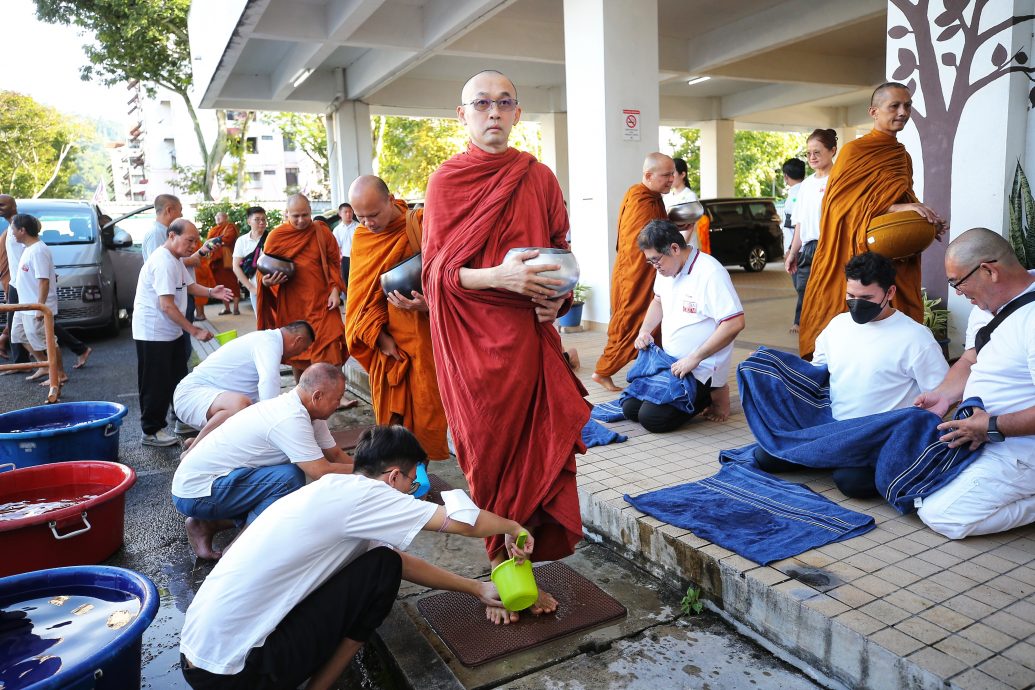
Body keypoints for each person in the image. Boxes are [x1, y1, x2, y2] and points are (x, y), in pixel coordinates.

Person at [179, 425, 536, 689]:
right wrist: (512, 526)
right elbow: (462, 522)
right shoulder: (369, 497)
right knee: (382, 572)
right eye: (412, 484)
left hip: (199, 656)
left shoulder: (334, 490)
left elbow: (393, 558)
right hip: (237, 672)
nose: (413, 493)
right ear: (393, 477)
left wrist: (477, 589)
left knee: (382, 564)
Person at [422, 69, 590, 623]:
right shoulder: (446, 181)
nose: (493, 112)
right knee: (489, 459)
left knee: (537, 456)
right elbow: (436, 274)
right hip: (472, 348)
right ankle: (502, 570)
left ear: (517, 113)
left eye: (504, 102)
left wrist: (556, 301)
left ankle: (523, 575)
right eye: (481, 103)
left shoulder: (538, 177)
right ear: (462, 115)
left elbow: (562, 254)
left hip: (529, 340)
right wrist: (500, 277)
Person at [755, 251, 948, 496]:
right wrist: (772, 368)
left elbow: (943, 393)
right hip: (834, 428)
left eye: (866, 297)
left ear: (890, 292)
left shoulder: (916, 338)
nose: (857, 303)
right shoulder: (837, 326)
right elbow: (814, 374)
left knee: (851, 483)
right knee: (765, 456)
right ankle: (831, 456)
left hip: (880, 435)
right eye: (851, 296)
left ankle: (834, 460)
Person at [799, 82, 947, 358]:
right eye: (894, 106)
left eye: (907, 106)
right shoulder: (854, 152)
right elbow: (838, 206)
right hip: (858, 254)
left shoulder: (902, 156)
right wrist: (897, 208)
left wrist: (922, 222)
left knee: (896, 331)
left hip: (894, 254)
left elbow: (904, 197)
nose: (903, 112)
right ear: (874, 112)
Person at [913, 228, 1035, 538]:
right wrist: (943, 395)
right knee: (910, 484)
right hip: (979, 436)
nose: (956, 292)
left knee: (942, 515)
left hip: (1019, 449)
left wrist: (991, 426)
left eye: (957, 282)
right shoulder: (986, 306)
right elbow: (970, 360)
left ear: (989, 271)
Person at [172, 363, 354, 560]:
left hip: (209, 484)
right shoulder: (290, 418)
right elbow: (320, 471)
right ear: (317, 396)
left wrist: (370, 471)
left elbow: (335, 455)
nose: (339, 404)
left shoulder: (309, 412)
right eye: (337, 398)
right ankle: (237, 550)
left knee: (290, 475)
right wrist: (370, 472)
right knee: (290, 478)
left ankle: (206, 524)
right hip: (195, 493)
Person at [345, 175, 450, 459]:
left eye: (374, 214)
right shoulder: (362, 238)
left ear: (390, 200)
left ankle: (419, 473)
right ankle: (400, 475)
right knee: (392, 424)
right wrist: (379, 338)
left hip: (426, 340)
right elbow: (360, 300)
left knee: (427, 414)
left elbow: (452, 277)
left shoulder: (421, 225)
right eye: (360, 217)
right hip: (389, 346)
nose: (368, 223)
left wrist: (430, 304)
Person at [625, 220, 744, 431]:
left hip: (701, 367)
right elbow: (658, 301)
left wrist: (695, 358)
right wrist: (644, 331)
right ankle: (703, 393)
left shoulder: (710, 273)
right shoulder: (665, 270)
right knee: (630, 408)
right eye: (650, 262)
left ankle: (714, 392)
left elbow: (734, 323)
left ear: (674, 248)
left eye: (656, 260)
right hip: (670, 363)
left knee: (652, 419)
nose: (654, 266)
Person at [133, 219, 234, 447]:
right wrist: (194, 330)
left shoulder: (175, 259)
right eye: (190, 240)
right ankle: (151, 430)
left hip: (171, 330)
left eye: (196, 241)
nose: (194, 246)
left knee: (179, 378)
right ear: (172, 236)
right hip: (153, 332)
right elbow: (167, 305)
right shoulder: (163, 262)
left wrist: (212, 292)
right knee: (155, 382)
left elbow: (189, 286)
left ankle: (182, 419)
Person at [592, 152, 675, 392]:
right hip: (635, 275)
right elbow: (636, 245)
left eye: (672, 174)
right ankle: (602, 371)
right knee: (630, 320)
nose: (672, 179)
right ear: (648, 175)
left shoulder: (652, 197)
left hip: (647, 272)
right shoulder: (640, 200)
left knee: (655, 323)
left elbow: (656, 230)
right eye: (666, 175)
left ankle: (653, 371)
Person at [173, 321, 315, 453]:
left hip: (204, 399)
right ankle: (193, 452)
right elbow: (269, 384)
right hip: (190, 395)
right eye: (303, 349)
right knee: (241, 405)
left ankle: (201, 441)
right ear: (298, 340)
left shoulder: (268, 341)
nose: (300, 354)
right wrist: (275, 425)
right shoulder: (269, 343)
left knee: (249, 411)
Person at [257, 194, 348, 379]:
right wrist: (266, 282)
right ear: (286, 214)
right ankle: (301, 391)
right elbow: (263, 268)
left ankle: (334, 391)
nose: (301, 220)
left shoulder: (321, 232)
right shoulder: (277, 236)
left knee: (331, 347)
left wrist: (335, 290)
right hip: (293, 304)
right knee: (298, 354)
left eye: (305, 215)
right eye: (295, 216)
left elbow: (334, 263)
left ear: (310, 211)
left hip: (323, 301)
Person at [785, 130, 837, 334]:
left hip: (833, 247)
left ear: (832, 150)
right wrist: (792, 253)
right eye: (808, 153)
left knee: (830, 299)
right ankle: (811, 344)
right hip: (808, 249)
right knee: (805, 295)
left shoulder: (839, 179)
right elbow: (800, 223)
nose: (812, 157)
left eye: (817, 152)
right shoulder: (805, 185)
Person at [8, 214, 65, 383]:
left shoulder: (38, 250)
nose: (12, 233)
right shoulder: (28, 249)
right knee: (18, 335)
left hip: (37, 306)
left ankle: (60, 374)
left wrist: (40, 307)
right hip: (24, 305)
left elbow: (44, 281)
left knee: (47, 341)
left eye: (13, 230)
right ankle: (44, 365)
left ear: (22, 230)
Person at [231, 206, 268, 316]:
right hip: (255, 287)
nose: (261, 222)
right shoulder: (242, 241)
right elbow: (236, 266)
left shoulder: (272, 238)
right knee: (260, 319)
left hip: (275, 286)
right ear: (249, 221)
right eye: (257, 219)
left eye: (264, 219)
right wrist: (251, 288)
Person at [206, 211, 240, 316]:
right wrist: (216, 240)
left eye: (219, 216)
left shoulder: (230, 227)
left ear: (226, 217)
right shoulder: (213, 229)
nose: (217, 217)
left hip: (226, 261)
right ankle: (227, 308)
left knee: (233, 283)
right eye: (216, 216)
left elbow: (228, 239)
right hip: (216, 262)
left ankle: (236, 308)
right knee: (221, 285)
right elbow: (208, 243)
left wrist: (214, 241)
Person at [332, 202, 359, 300]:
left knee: (357, 281)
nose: (348, 214)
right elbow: (337, 247)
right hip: (345, 259)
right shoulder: (337, 230)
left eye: (350, 211)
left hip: (358, 258)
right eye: (345, 212)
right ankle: (348, 303)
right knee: (346, 282)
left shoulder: (359, 227)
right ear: (340, 214)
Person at [781, 158, 805, 256]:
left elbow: (795, 226)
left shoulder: (793, 197)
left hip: (797, 251)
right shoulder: (807, 191)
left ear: (786, 176)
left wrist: (791, 250)